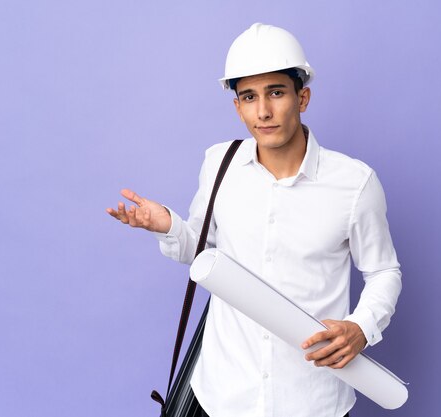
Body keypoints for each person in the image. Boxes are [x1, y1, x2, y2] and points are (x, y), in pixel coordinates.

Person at [107, 23, 402, 417]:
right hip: (223, 396)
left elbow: (384, 271)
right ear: (237, 106)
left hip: (311, 401)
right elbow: (203, 257)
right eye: (249, 97)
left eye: (276, 93)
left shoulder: (354, 183)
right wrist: (170, 227)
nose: (262, 111)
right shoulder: (219, 164)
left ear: (304, 97)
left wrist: (361, 328)